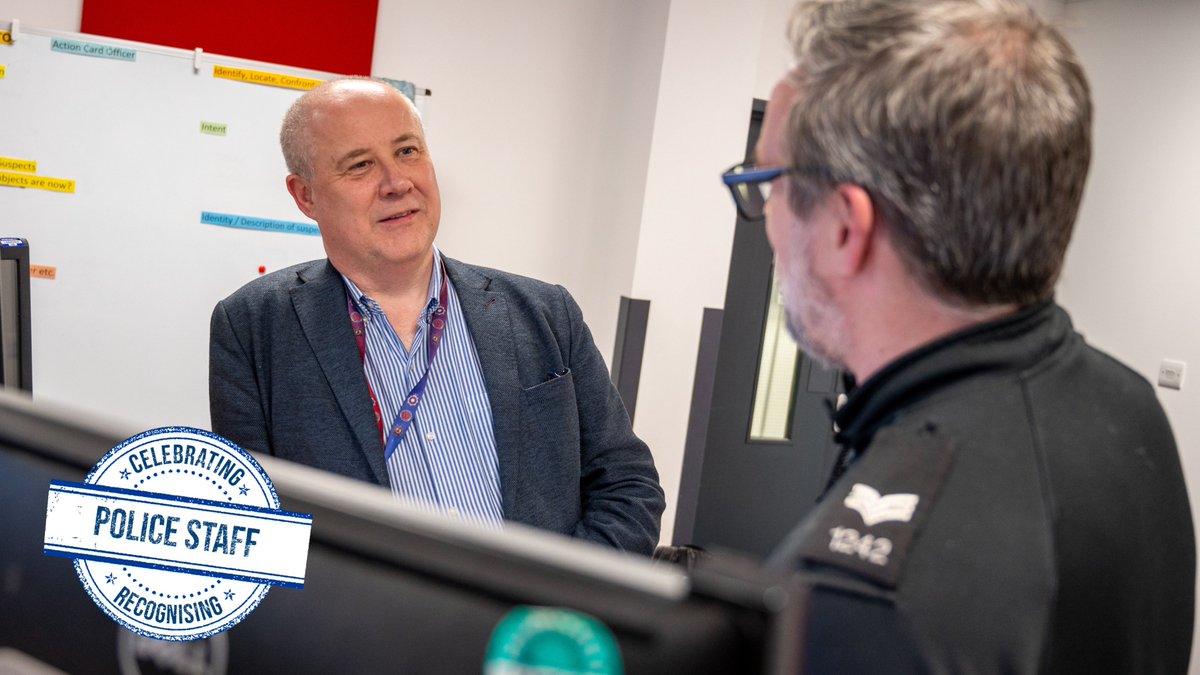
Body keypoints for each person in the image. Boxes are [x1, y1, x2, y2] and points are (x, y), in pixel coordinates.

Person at [725, 0, 1195, 671]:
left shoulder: (864, 601)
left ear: (843, 228)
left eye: (769, 182)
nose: (765, 215)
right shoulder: (1127, 407)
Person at [209, 77, 664, 555]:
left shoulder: (545, 313)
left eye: (407, 152)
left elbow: (628, 485)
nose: (397, 183)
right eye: (360, 165)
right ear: (305, 196)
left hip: (530, 624)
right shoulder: (253, 328)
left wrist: (558, 607)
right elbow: (251, 528)